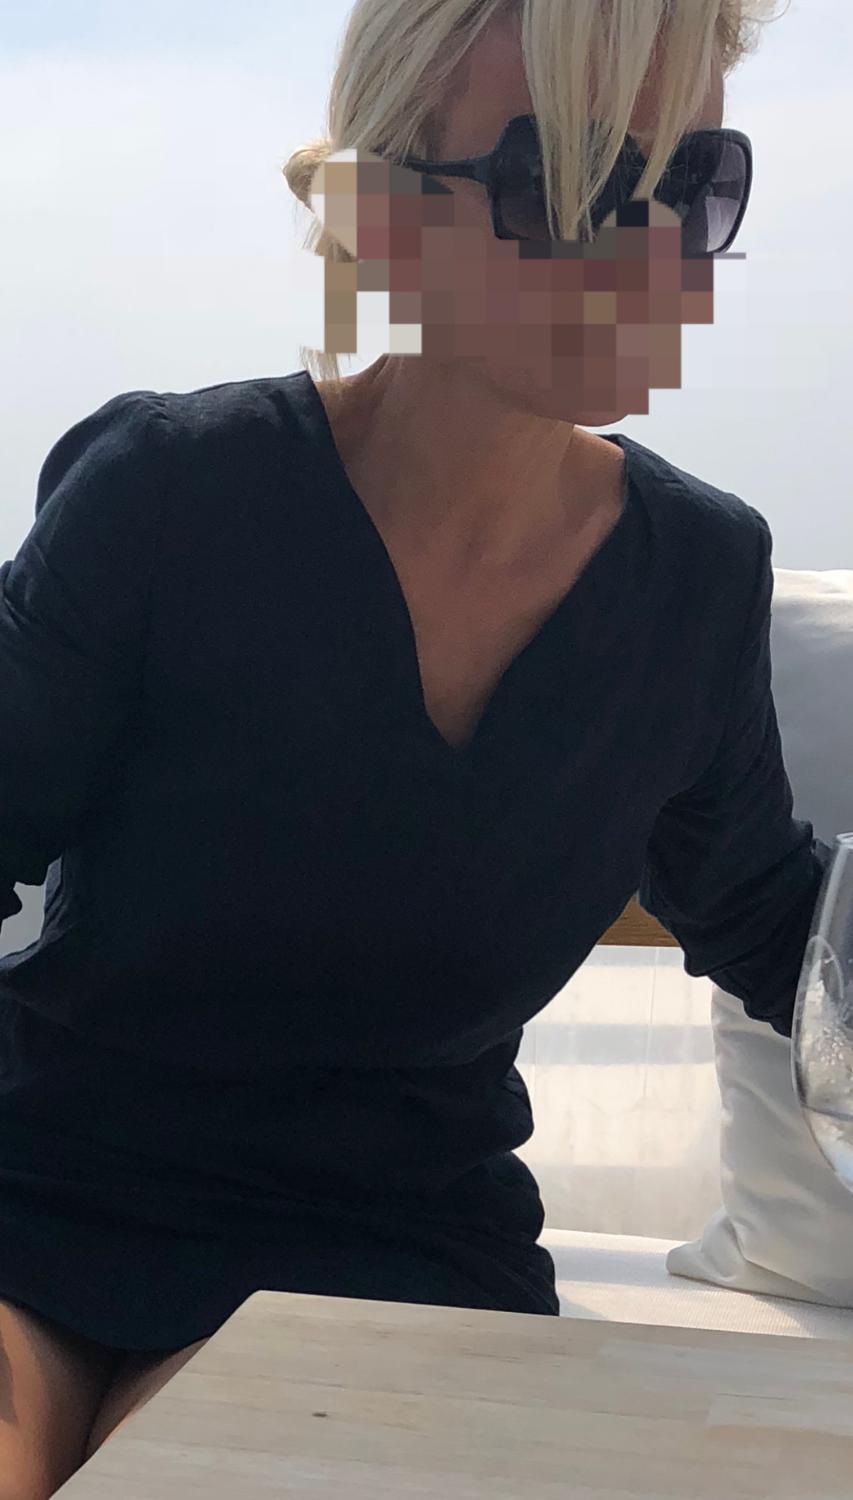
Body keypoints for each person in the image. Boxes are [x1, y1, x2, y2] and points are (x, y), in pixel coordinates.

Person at [0, 0, 828, 1493]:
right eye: (566, 185)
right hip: (39, 1178)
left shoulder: (694, 581)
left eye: (695, 183)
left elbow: (768, 915)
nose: (650, 252)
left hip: (389, 1240)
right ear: (385, 214)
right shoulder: (172, 493)